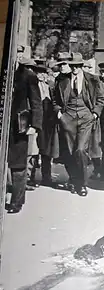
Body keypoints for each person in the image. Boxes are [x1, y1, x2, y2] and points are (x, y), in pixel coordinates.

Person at [53, 52, 104, 197]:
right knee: (69, 152)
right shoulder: (61, 80)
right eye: (73, 66)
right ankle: (74, 180)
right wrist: (59, 114)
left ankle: (81, 184)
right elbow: (55, 100)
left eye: (78, 66)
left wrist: (94, 113)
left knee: (80, 150)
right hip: (67, 118)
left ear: (82, 66)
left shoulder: (92, 80)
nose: (75, 69)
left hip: (86, 118)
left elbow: (101, 99)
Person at [7, 57, 43, 213]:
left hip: (18, 126)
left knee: (18, 164)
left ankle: (17, 201)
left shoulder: (27, 75)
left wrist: (35, 125)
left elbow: (36, 101)